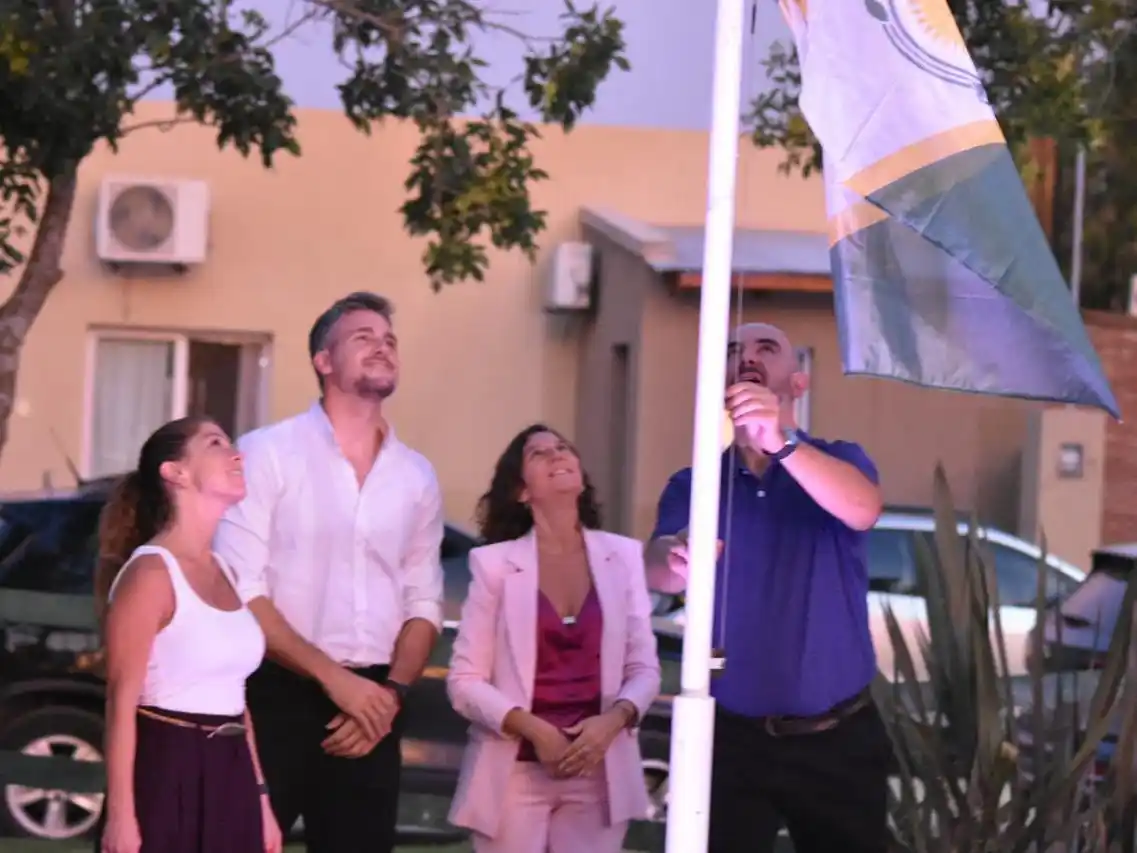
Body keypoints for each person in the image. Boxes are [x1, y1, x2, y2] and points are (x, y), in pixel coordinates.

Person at [644, 322, 889, 853]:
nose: (746, 356)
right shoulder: (696, 484)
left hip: (836, 740)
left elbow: (863, 508)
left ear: (797, 384)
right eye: (733, 350)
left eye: (765, 348)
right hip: (732, 739)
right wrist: (676, 554)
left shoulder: (839, 459)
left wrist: (780, 443)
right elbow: (654, 567)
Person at [214, 292, 444, 853]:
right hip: (274, 694)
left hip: (375, 706)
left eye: (389, 339)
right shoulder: (267, 452)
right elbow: (240, 589)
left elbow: (424, 603)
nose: (383, 346)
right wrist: (334, 681)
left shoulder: (416, 475)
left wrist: (388, 696)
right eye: (363, 337)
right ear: (323, 361)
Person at [448, 424, 661, 853]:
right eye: (539, 454)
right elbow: (464, 682)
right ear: (522, 491)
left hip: (598, 768)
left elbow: (644, 669)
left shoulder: (622, 557)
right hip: (514, 773)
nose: (557, 455)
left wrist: (614, 720)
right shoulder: (493, 566)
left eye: (563, 448)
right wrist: (535, 731)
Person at [95, 417, 279, 853]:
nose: (237, 454)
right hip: (167, 764)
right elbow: (120, 703)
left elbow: (236, 697)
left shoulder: (227, 571)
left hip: (230, 769)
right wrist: (122, 816)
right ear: (174, 472)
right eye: (215, 443)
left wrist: (261, 801)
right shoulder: (151, 573)